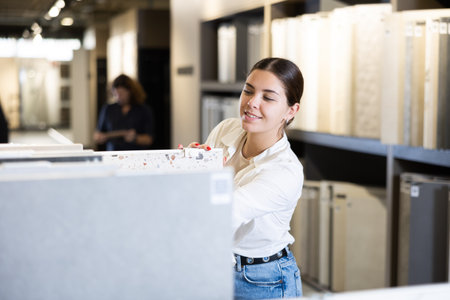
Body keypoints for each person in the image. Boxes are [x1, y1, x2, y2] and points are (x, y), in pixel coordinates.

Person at [185, 57, 304, 299]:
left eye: (268, 98)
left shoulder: (285, 172)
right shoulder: (227, 129)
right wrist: (189, 165)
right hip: (218, 265)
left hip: (264, 279)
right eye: (248, 91)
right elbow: (201, 187)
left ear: (291, 111)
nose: (252, 103)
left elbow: (222, 213)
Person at [94, 74, 154, 151]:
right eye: (116, 94)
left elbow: (149, 139)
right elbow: (97, 135)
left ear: (130, 92)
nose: (118, 97)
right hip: (113, 155)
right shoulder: (108, 109)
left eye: (121, 94)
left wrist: (136, 138)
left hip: (135, 154)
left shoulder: (143, 110)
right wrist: (100, 137)